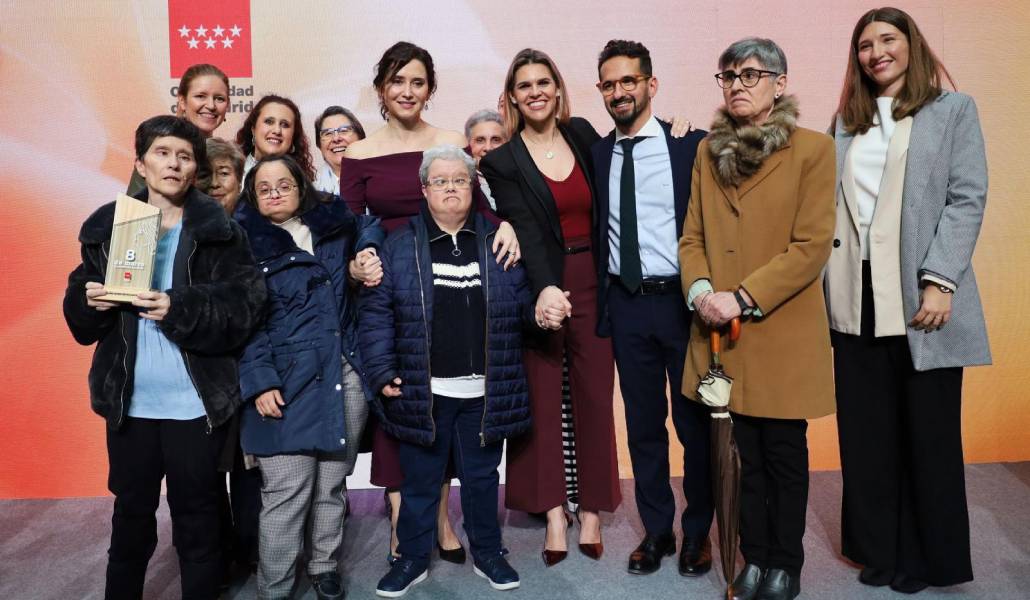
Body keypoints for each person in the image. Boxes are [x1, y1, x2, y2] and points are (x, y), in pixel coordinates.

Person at [63, 115, 266, 599]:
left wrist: (182, 307)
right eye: (162, 153)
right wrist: (87, 302)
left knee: (198, 519)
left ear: (195, 167)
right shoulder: (112, 227)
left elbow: (246, 308)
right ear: (141, 163)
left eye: (184, 155)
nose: (173, 163)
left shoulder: (222, 233)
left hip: (193, 404)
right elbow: (79, 316)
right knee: (130, 516)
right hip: (129, 402)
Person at [825, 7, 990, 594]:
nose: (876, 52)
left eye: (888, 40)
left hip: (922, 295)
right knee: (867, 433)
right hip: (856, 294)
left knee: (929, 432)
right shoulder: (847, 121)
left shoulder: (952, 110)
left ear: (911, 45)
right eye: (865, 44)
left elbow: (967, 197)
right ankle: (880, 548)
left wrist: (941, 280)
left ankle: (928, 557)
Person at [340, 40, 520, 564]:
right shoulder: (360, 152)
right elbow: (352, 228)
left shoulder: (448, 141)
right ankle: (408, 522)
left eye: (418, 82)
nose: (407, 91)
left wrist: (506, 225)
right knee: (402, 406)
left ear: (430, 89)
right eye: (397, 81)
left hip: (451, 273)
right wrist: (357, 263)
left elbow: (476, 204)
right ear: (381, 89)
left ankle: (441, 518)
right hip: (391, 285)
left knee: (445, 405)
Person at [679, 38, 836, 600]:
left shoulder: (814, 149)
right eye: (728, 75)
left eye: (751, 74)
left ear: (780, 82)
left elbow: (812, 246)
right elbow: (692, 235)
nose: (738, 84)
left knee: (784, 452)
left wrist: (741, 296)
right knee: (737, 453)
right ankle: (753, 556)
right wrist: (700, 291)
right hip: (721, 330)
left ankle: (784, 564)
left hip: (780, 326)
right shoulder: (705, 152)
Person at [360, 145, 540, 596]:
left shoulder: (498, 241)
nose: (451, 188)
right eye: (440, 181)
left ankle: (489, 553)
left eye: (460, 179)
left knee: (482, 479)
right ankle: (412, 559)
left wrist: (543, 312)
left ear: (473, 186)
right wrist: (382, 371)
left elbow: (521, 305)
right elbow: (376, 313)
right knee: (421, 482)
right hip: (425, 391)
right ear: (424, 190)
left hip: (484, 389)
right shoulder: (398, 244)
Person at [480, 48, 619, 567]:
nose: (535, 92)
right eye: (524, 85)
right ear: (512, 97)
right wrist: (543, 289)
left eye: (544, 82)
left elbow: (626, 159)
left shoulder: (583, 133)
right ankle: (554, 513)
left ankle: (593, 510)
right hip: (540, 283)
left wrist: (680, 131)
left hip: (595, 281)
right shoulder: (502, 160)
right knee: (541, 398)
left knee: (593, 396)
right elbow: (527, 228)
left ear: (558, 89)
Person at [587, 39, 714, 577]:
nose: (619, 92)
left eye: (628, 82)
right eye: (609, 84)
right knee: (643, 427)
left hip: (683, 305)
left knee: (694, 425)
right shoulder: (595, 152)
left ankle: (699, 534)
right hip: (627, 304)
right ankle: (657, 532)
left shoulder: (690, 145)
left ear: (650, 85)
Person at [235, 154, 383, 600]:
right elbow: (243, 322)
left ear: (302, 188)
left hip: (343, 375)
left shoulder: (334, 227)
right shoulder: (241, 246)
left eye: (285, 184)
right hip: (283, 382)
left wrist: (365, 249)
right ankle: (275, 587)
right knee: (286, 492)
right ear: (253, 198)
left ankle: (323, 566)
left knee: (331, 484)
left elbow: (372, 224)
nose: (276, 192)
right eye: (264, 188)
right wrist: (259, 381)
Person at [127, 63, 230, 196]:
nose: (211, 105)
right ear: (182, 101)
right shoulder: (158, 147)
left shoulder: (227, 156)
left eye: (219, 99)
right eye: (200, 96)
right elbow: (135, 212)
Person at [236, 94, 315, 182]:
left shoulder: (304, 182)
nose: (277, 130)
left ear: (293, 136)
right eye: (269, 122)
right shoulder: (233, 173)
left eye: (285, 125)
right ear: (253, 129)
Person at [313, 106, 366, 196]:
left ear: (360, 138)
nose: (336, 138)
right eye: (328, 133)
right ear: (319, 145)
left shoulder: (380, 180)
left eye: (344, 131)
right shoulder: (309, 194)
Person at [464, 109, 507, 210]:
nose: (488, 148)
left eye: (496, 140)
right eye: (480, 140)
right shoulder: (461, 184)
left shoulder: (520, 180)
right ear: (468, 145)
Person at [200, 137, 245, 215]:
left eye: (224, 173)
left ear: (239, 183)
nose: (214, 183)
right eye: (205, 175)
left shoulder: (254, 225)